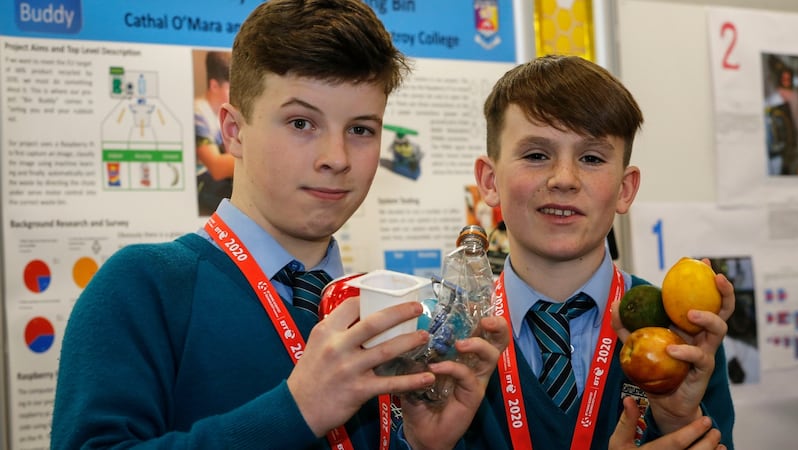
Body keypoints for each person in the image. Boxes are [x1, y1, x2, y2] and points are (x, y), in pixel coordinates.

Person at [49, 1, 508, 449]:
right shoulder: (144, 286)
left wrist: (421, 445)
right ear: (234, 131)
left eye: (361, 129)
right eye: (301, 122)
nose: (336, 158)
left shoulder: (375, 305)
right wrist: (296, 411)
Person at [466, 55, 736, 449]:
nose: (563, 179)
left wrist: (678, 420)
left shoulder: (679, 331)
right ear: (490, 181)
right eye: (536, 155)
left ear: (625, 189)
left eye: (591, 158)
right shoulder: (447, 335)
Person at [195, 50, 235, 216]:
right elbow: (217, 168)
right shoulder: (197, 114)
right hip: (203, 184)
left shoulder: (223, 112)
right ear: (214, 86)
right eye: (230, 88)